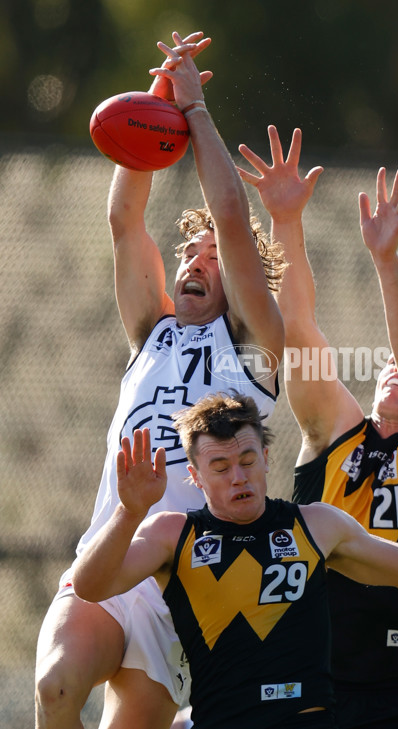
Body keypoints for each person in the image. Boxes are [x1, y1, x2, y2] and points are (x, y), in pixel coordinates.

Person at [71, 391, 398, 729]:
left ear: (267, 459)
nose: (239, 477)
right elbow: (91, 586)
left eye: (248, 460)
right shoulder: (171, 534)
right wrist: (128, 511)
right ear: (195, 476)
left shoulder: (315, 525)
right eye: (221, 466)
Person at [35, 32, 284, 729]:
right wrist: (157, 104)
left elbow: (233, 219)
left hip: (181, 584)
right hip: (114, 553)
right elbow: (124, 220)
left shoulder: (257, 351)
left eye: (212, 257)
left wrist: (197, 111)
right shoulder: (156, 329)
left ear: (242, 279)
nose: (195, 261)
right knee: (56, 687)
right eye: (189, 251)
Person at [238, 126, 398, 728]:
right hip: (299, 677)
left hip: (387, 694)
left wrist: (386, 260)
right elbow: (297, 326)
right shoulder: (335, 432)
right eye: (389, 358)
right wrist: (285, 222)